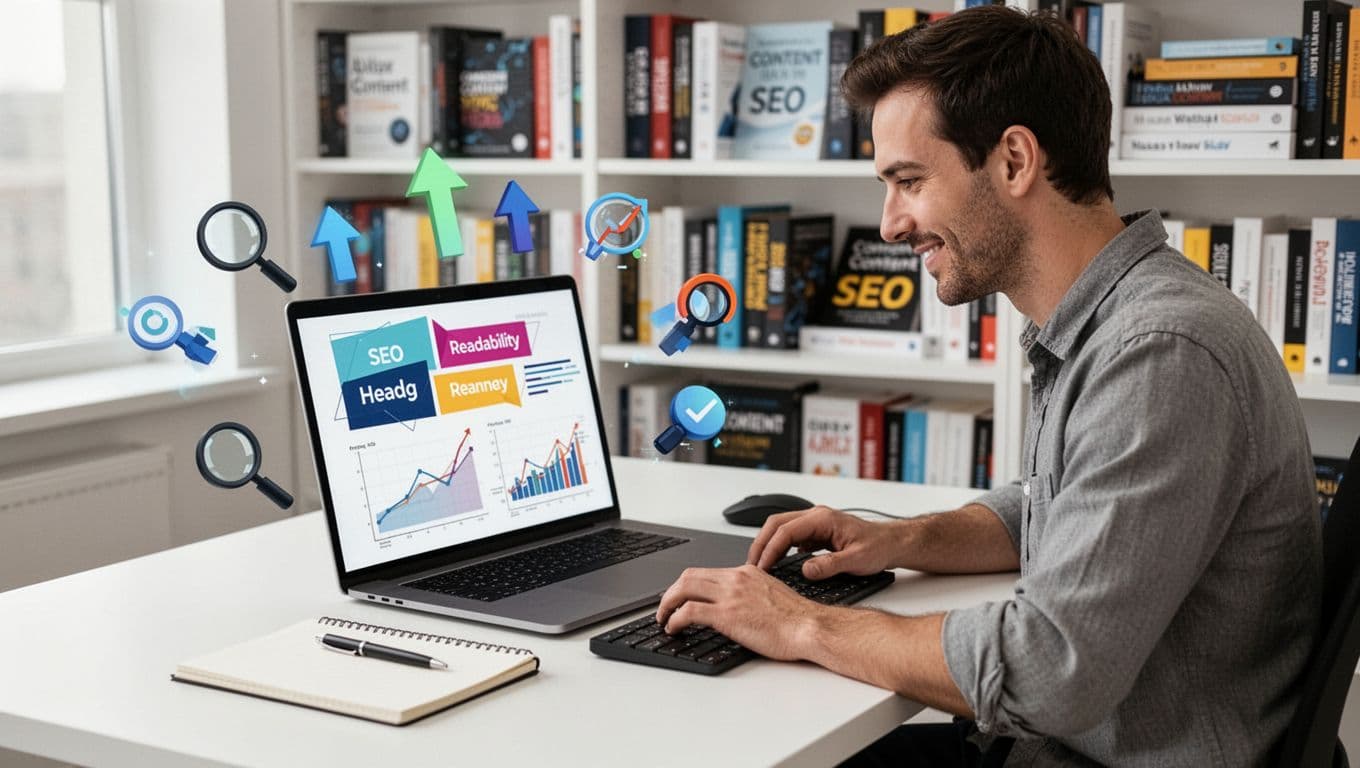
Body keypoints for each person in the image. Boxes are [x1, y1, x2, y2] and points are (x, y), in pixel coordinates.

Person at [653, 6, 1322, 766]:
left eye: (908, 181)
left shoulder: (1159, 352)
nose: (891, 224)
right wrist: (901, 540)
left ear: (1013, 161)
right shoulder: (1115, 321)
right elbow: (1057, 503)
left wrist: (801, 620)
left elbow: (1048, 671)